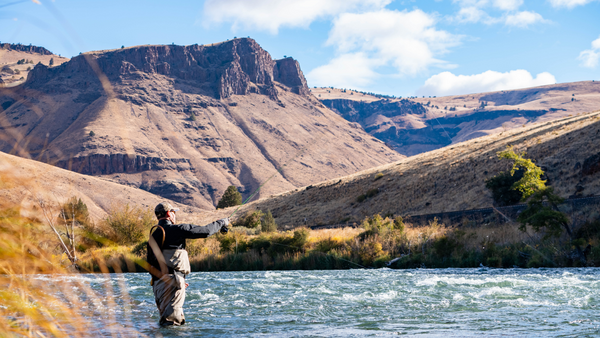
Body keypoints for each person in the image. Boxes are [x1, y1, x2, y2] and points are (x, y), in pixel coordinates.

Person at [147, 202, 229, 326]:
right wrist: (221, 223)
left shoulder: (153, 236)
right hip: (172, 282)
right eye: (174, 212)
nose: (175, 216)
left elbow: (151, 264)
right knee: (172, 323)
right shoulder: (177, 230)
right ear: (169, 213)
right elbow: (205, 231)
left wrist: (173, 278)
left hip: (158, 285)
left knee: (168, 319)